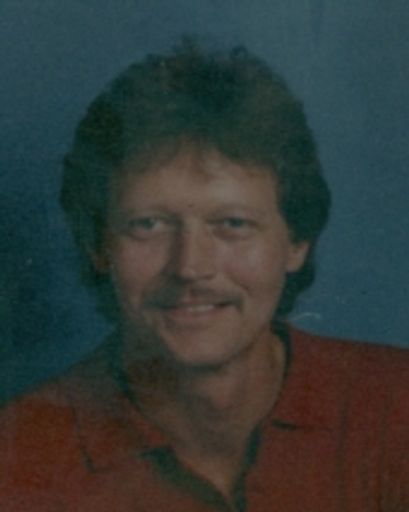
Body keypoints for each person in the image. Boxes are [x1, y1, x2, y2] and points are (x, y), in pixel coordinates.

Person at [0, 40, 407, 512]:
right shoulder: (18, 457)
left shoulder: (397, 409)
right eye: (148, 225)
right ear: (99, 247)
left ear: (297, 242)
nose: (190, 267)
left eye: (232, 223)